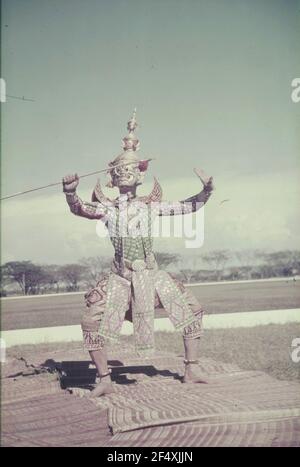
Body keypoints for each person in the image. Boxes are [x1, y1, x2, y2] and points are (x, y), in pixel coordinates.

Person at [63, 111, 214, 397]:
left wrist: (206, 192)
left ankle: (192, 368)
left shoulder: (151, 206)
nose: (125, 174)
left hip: (151, 276)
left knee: (193, 309)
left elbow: (188, 206)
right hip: (120, 279)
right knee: (90, 321)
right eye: (120, 171)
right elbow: (80, 208)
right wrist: (70, 193)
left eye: (130, 170)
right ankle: (104, 378)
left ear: (140, 175)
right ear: (112, 177)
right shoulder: (108, 208)